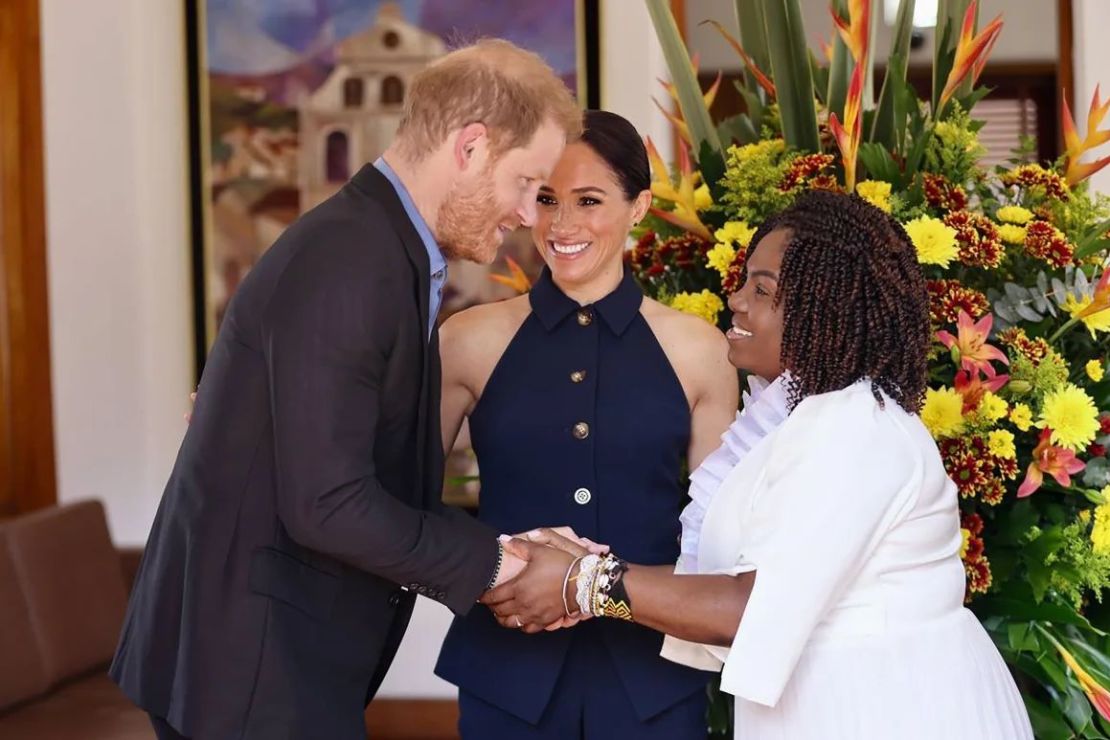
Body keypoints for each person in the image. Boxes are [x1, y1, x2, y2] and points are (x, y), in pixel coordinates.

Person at [109, 39, 583, 740]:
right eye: (526, 183)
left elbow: (337, 462)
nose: (526, 214)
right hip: (250, 669)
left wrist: (503, 546)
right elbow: (326, 503)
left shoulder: (379, 249)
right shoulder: (352, 262)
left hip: (262, 656)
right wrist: (493, 562)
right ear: (473, 147)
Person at [487, 190, 1035, 739]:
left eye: (763, 289)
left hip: (886, 709)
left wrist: (584, 582)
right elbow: (735, 583)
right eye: (746, 281)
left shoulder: (854, 430)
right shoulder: (802, 418)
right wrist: (580, 569)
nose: (737, 300)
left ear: (827, 306)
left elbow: (749, 607)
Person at [433, 110, 739, 738]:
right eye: (546, 198)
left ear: (640, 206)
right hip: (505, 670)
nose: (562, 224)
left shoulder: (700, 349)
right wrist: (493, 569)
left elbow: (718, 539)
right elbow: (398, 497)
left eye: (589, 200)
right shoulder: (467, 340)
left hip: (652, 678)